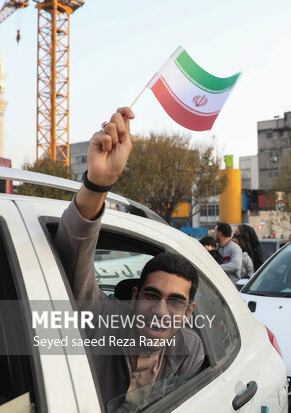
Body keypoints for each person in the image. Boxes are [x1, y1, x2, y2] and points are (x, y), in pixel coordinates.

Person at [53, 107, 204, 407]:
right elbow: (74, 253)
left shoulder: (190, 349)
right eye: (151, 295)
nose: (160, 311)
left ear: (189, 312)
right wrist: (98, 184)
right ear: (134, 296)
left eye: (175, 301)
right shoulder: (101, 320)